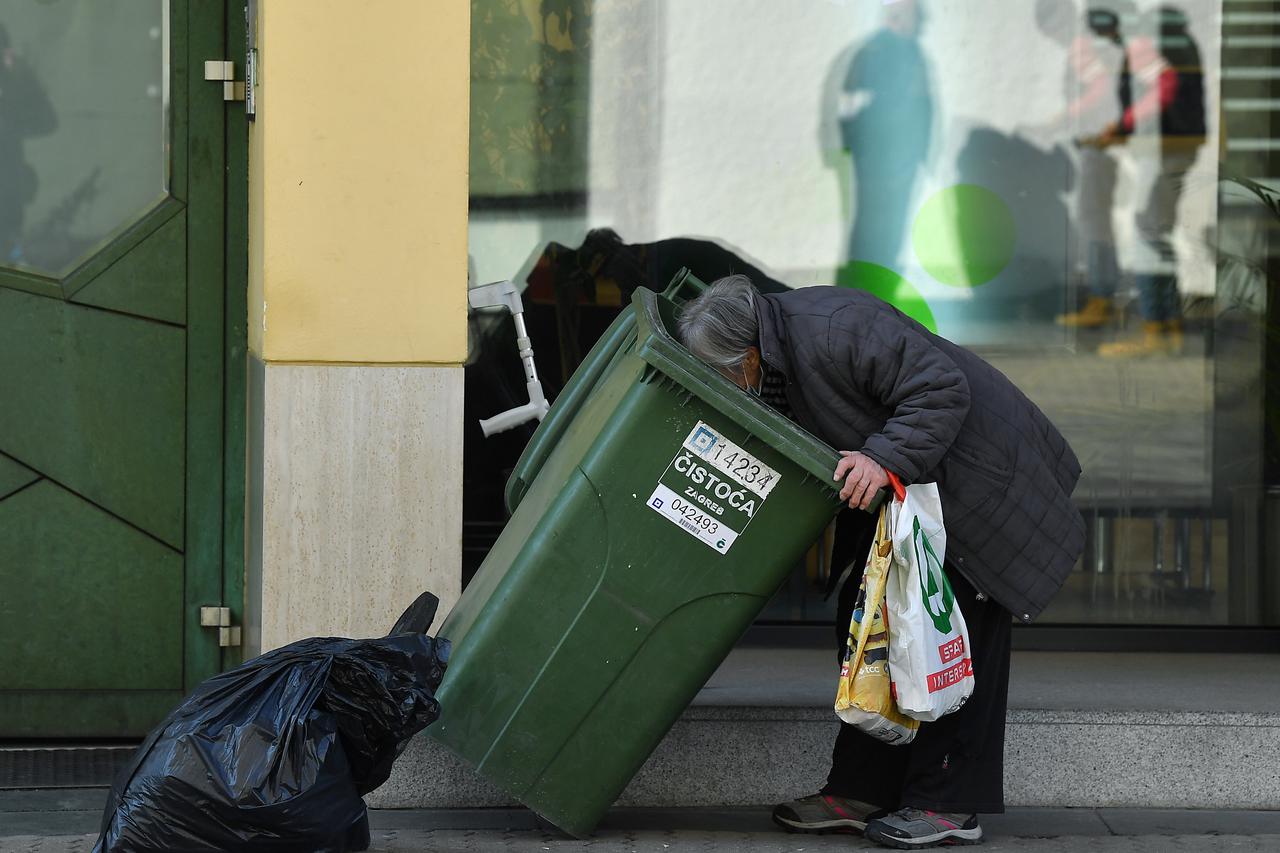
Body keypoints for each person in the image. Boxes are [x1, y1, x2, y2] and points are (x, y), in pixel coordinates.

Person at [678, 275, 1085, 849]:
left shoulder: (834, 327)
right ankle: (862, 788)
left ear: (746, 357)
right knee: (871, 624)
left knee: (951, 639)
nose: (727, 385)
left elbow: (940, 389)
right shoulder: (781, 344)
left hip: (975, 487)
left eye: (724, 374)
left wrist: (880, 458)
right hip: (924, 497)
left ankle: (948, 804)